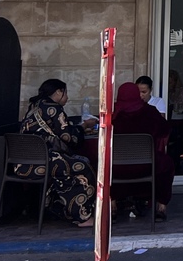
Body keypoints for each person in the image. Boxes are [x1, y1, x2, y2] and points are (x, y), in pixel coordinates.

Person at [14, 79, 97, 227]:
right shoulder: (54, 108)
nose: (67, 97)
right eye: (66, 93)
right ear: (59, 92)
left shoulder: (34, 107)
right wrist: (83, 127)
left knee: (68, 166)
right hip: (44, 161)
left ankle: (58, 208)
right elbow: (68, 137)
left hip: (22, 163)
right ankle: (81, 216)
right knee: (83, 167)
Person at [112, 81, 174, 221]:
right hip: (147, 166)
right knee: (167, 164)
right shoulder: (150, 112)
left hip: (117, 168)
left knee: (102, 167)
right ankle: (161, 207)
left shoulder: (113, 115)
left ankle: (112, 205)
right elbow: (165, 129)